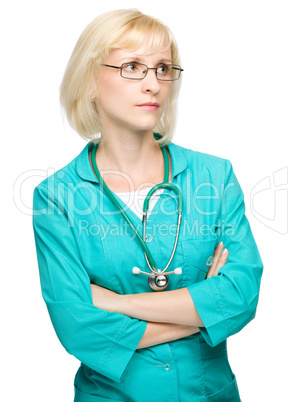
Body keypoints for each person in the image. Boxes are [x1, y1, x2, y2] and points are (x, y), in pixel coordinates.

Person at [32, 8, 263, 402]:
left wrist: (116, 303)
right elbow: (78, 327)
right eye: (132, 66)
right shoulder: (57, 197)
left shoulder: (214, 177)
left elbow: (241, 297)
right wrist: (203, 306)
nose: (152, 84)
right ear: (90, 81)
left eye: (163, 68)